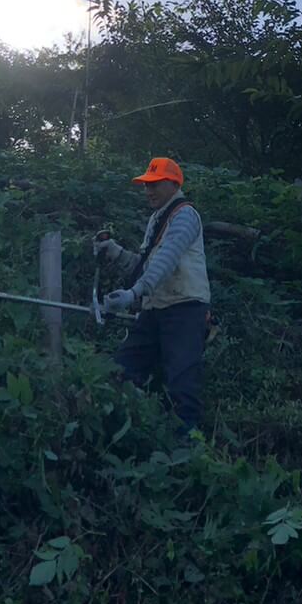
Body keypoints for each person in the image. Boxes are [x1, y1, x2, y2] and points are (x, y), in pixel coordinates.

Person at [94, 157, 210, 433]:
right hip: (155, 309)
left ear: (174, 184)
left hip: (185, 310)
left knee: (181, 385)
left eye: (155, 184)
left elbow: (166, 261)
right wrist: (114, 252)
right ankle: (128, 435)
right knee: (121, 371)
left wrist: (133, 293)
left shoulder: (185, 216)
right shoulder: (157, 219)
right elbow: (147, 266)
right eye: (147, 185)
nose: (148, 191)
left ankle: (188, 450)